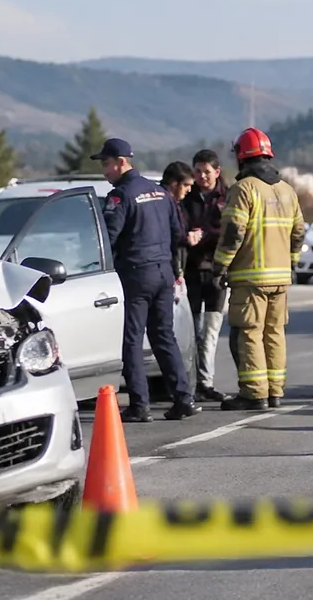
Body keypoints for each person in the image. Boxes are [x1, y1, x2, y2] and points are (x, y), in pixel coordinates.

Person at [94, 138, 199, 422]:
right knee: (164, 336)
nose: (104, 171)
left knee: (132, 339)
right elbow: (178, 234)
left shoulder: (120, 196)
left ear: (121, 162)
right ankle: (183, 398)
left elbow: (108, 238)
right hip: (163, 272)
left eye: (106, 164)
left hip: (137, 273)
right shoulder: (161, 193)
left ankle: (140, 405)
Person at [213, 127, 306, 411]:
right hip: (281, 278)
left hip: (250, 278)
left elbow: (233, 232)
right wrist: (292, 262)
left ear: (241, 156)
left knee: (249, 333)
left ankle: (254, 394)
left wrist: (220, 266)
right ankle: (275, 391)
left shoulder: (244, 189)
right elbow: (299, 232)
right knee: (274, 333)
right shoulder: (287, 191)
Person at [180, 149, 233, 403]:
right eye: (198, 171)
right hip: (191, 271)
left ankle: (206, 382)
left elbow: (230, 231)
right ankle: (190, 384)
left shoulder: (228, 197)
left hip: (216, 273)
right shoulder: (187, 197)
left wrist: (205, 235)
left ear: (217, 172)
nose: (202, 176)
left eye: (207, 172)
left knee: (210, 332)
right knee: (192, 330)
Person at [160, 161, 196, 291]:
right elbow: (169, 236)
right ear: (174, 183)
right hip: (164, 269)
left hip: (174, 268)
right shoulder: (161, 204)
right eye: (186, 185)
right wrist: (186, 239)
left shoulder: (177, 204)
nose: (189, 190)